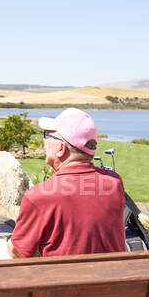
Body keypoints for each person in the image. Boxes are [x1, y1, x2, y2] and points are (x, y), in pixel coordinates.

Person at [8, 108, 126, 258]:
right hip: (113, 279)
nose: (44, 141)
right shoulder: (114, 183)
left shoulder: (40, 196)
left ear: (61, 148)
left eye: (47, 135)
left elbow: (18, 253)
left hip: (62, 280)